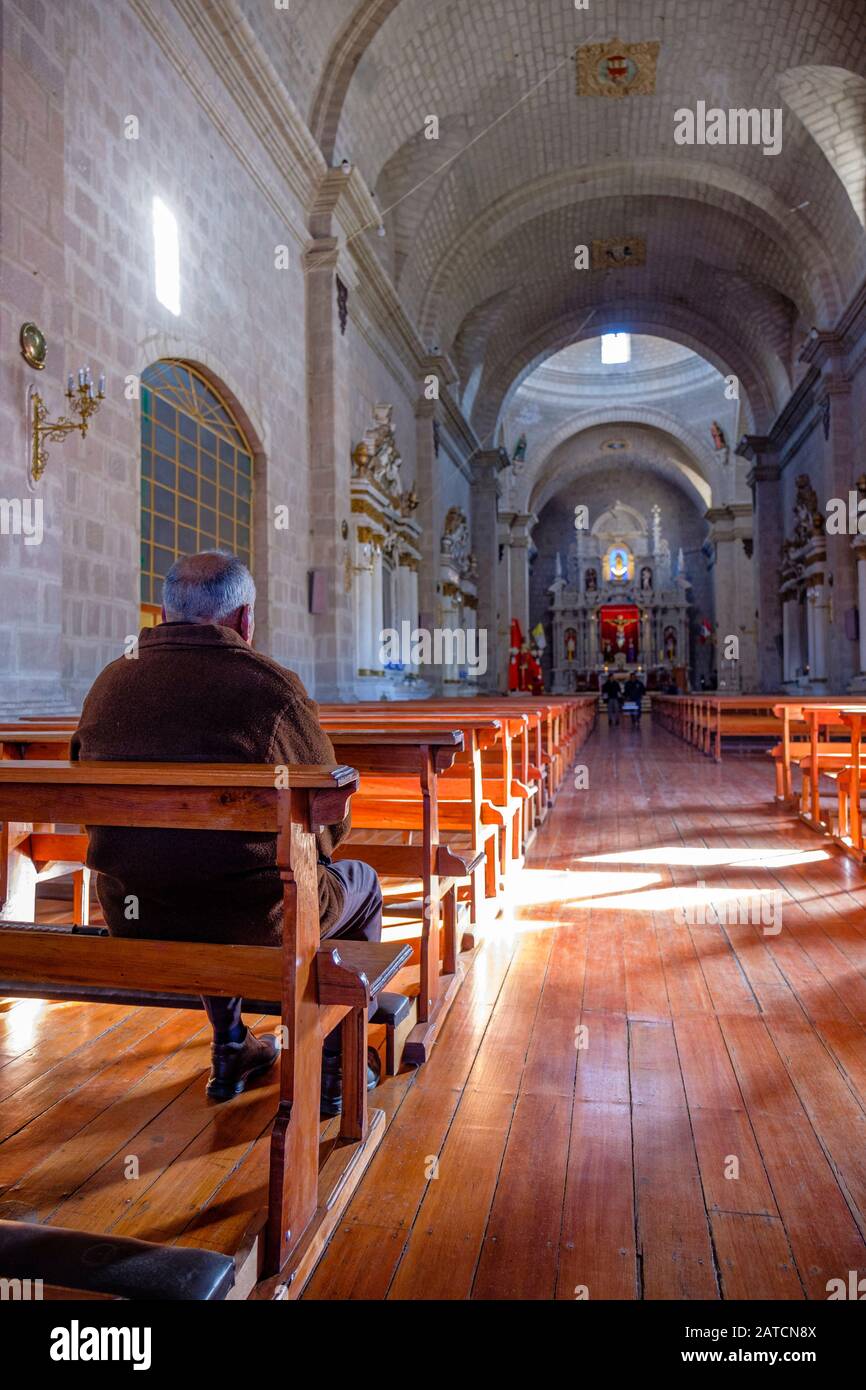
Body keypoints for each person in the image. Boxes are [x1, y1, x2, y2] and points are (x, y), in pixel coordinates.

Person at [71, 550, 382, 1115]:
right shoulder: (273, 692)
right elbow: (332, 825)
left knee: (200, 872)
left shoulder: (109, 684)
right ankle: (335, 1065)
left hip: (137, 913)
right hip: (255, 919)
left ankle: (232, 1045)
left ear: (164, 615)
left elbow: (85, 805)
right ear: (244, 621)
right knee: (359, 882)